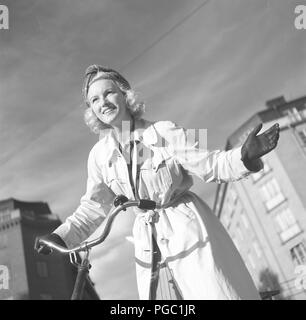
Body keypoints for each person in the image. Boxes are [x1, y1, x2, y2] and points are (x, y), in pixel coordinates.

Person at [35, 65, 280, 300]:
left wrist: (242, 156)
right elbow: (93, 208)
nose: (103, 102)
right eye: (95, 100)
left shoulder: (163, 131)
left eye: (109, 92)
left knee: (211, 292)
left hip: (187, 229)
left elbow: (209, 165)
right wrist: (61, 237)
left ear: (125, 94)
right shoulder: (99, 156)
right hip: (147, 242)